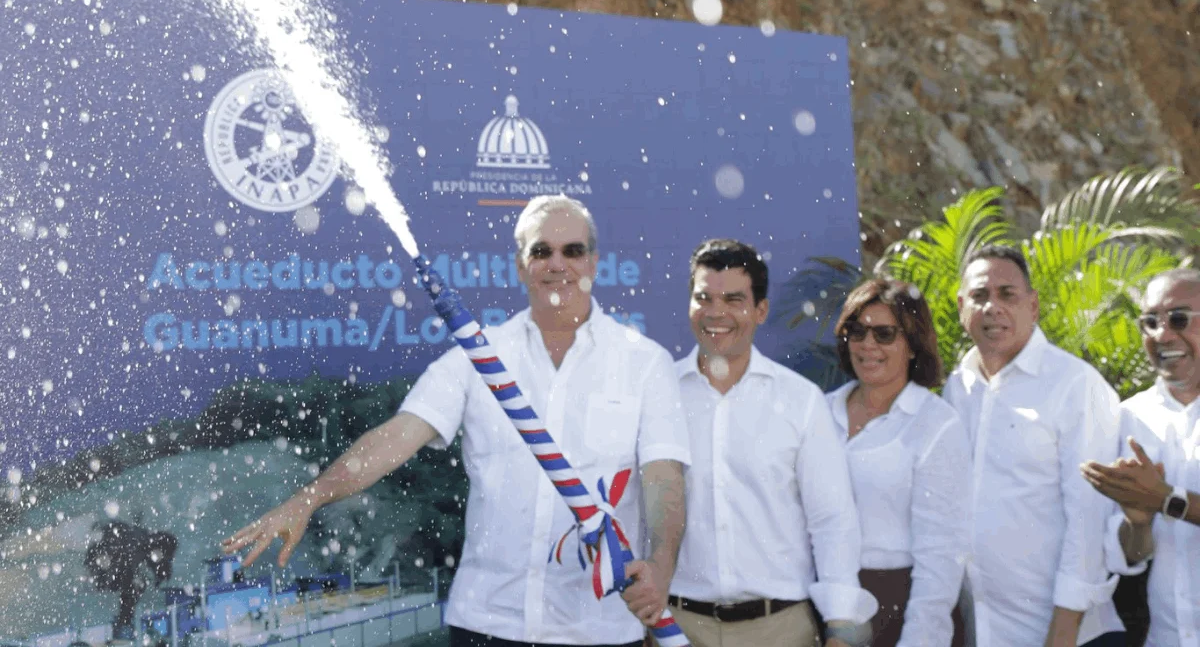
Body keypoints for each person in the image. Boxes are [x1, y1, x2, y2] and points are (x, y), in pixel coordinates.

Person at [222, 195, 690, 647]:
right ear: (520, 265)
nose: (557, 264)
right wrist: (311, 497)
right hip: (486, 625)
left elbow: (664, 477)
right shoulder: (476, 358)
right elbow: (395, 437)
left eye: (573, 251)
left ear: (593, 262)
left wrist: (661, 563)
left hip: (600, 629)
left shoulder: (644, 363)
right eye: (541, 251)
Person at [667, 239, 877, 647]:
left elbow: (832, 520)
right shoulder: (659, 394)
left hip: (780, 629)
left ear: (761, 310)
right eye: (703, 297)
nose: (716, 313)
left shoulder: (800, 402)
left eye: (733, 299)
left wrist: (840, 625)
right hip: (678, 627)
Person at [944, 244, 1124, 647]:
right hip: (985, 633)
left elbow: (1088, 519)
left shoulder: (1076, 386)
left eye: (1007, 294)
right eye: (979, 296)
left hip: (1068, 636)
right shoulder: (957, 389)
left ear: (1034, 305)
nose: (993, 307)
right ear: (961, 307)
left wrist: (1062, 633)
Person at [826, 278, 970, 647]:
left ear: (912, 346)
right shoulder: (819, 412)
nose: (868, 344)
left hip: (900, 608)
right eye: (857, 332)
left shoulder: (936, 423)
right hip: (824, 604)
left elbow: (941, 553)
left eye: (885, 334)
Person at [1081, 267, 1200, 647]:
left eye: (1179, 318)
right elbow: (1132, 555)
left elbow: (1164, 499)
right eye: (1149, 321)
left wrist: (1167, 499)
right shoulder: (1128, 417)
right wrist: (1138, 524)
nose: (1161, 334)